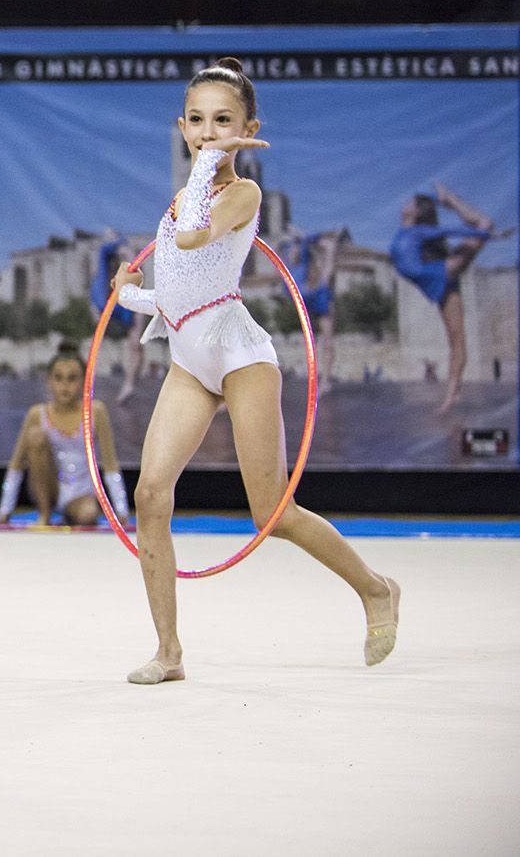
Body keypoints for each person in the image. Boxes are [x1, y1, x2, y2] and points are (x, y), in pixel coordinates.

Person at [113, 58, 399, 684]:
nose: (208, 132)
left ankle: (376, 589)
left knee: (271, 512)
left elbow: (192, 243)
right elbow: (179, 290)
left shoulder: (242, 194)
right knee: (149, 494)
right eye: (196, 121)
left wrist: (204, 166)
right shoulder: (180, 200)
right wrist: (129, 291)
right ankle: (169, 652)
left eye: (223, 121)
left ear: (249, 128)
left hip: (239, 354)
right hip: (189, 356)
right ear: (180, 125)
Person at [389, 184, 513, 414]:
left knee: (485, 223)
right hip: (436, 279)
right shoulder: (404, 232)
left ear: (417, 212)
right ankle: (454, 393)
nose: (404, 205)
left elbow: (450, 231)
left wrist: (488, 235)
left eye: (410, 203)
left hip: (441, 272)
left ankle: (450, 395)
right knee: (455, 339)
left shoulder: (419, 230)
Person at [0, 342, 129, 527]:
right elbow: (17, 463)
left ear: (84, 381)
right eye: (58, 378)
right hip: (49, 488)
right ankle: (45, 514)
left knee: (88, 515)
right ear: (49, 381)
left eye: (72, 378)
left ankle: (70, 513)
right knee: (36, 436)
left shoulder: (95, 411)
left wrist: (121, 513)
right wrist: (4, 512)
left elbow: (110, 463)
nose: (65, 385)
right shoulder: (37, 414)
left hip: (81, 492)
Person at [279, 226, 345, 396]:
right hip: (303, 297)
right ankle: (319, 378)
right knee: (311, 342)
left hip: (315, 295)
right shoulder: (285, 257)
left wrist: (301, 235)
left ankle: (326, 380)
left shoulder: (303, 254)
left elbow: (310, 237)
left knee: (327, 341)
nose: (294, 252)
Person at [91, 230, 146, 404]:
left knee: (136, 345)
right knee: (135, 346)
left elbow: (137, 268)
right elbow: (98, 285)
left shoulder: (124, 252)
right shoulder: (104, 258)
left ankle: (129, 384)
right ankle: (130, 383)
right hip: (115, 302)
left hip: (131, 301)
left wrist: (125, 251)